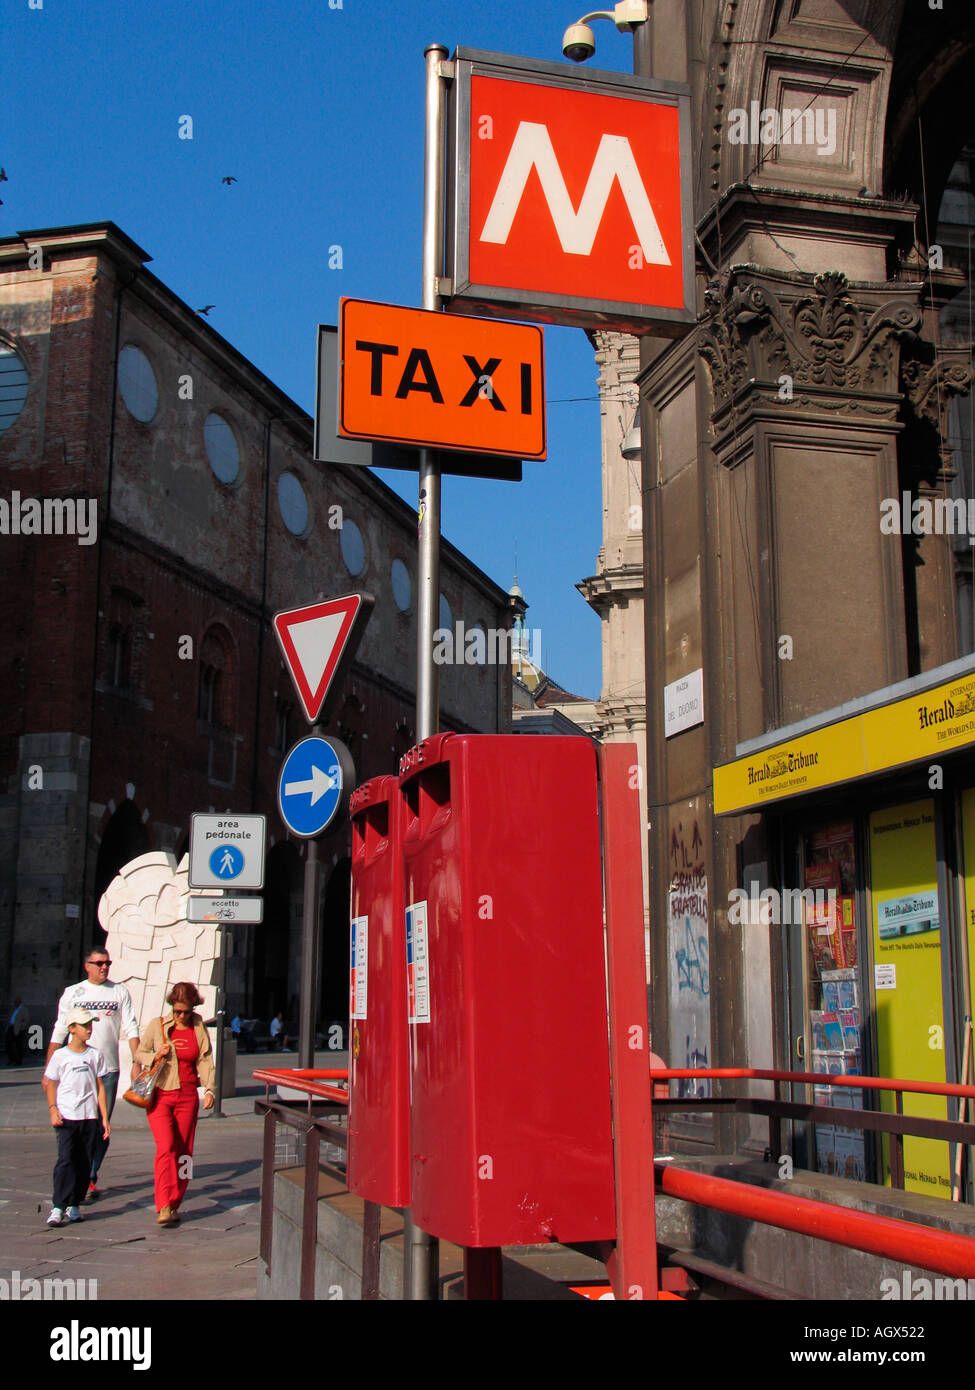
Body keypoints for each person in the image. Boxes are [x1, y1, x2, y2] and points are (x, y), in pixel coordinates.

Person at [47, 947, 139, 1201]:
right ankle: (75, 1171)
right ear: (86, 965)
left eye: (107, 962)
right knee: (74, 1124)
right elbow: (59, 1030)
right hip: (76, 1069)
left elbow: (130, 1026)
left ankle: (89, 1175)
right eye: (98, 963)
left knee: (100, 1127)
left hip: (107, 1070)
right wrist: (48, 1069)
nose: (104, 967)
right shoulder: (73, 992)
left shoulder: (119, 991)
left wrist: (137, 1061)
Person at [136, 982, 215, 1227]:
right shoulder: (157, 1025)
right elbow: (139, 1053)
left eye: (186, 1011)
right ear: (172, 1006)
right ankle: (164, 1204)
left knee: (184, 1153)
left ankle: (176, 1199)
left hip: (188, 1095)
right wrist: (154, 1055)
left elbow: (205, 1058)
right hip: (160, 1094)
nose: (182, 1016)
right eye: (178, 1011)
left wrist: (210, 1088)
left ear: (193, 1008)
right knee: (166, 1147)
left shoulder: (198, 1026)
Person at [42, 1009, 110, 1227]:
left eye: (90, 1025)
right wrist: (53, 1109)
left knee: (84, 1162)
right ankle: (58, 1206)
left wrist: (104, 1118)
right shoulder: (61, 1056)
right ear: (72, 1028)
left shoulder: (95, 1055)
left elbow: (100, 1088)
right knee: (66, 1159)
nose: (89, 1029)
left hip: (89, 1117)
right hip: (67, 1117)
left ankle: (74, 1204)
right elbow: (51, 1083)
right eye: (84, 1025)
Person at [5, 997, 30, 1066]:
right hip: (11, 1027)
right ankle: (11, 1059)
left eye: (16, 1001)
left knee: (18, 1045)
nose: (15, 1003)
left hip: (19, 1029)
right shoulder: (14, 1009)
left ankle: (18, 1061)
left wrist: (21, 1027)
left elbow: (26, 1020)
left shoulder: (23, 1009)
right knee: (8, 1044)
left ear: (19, 1002)